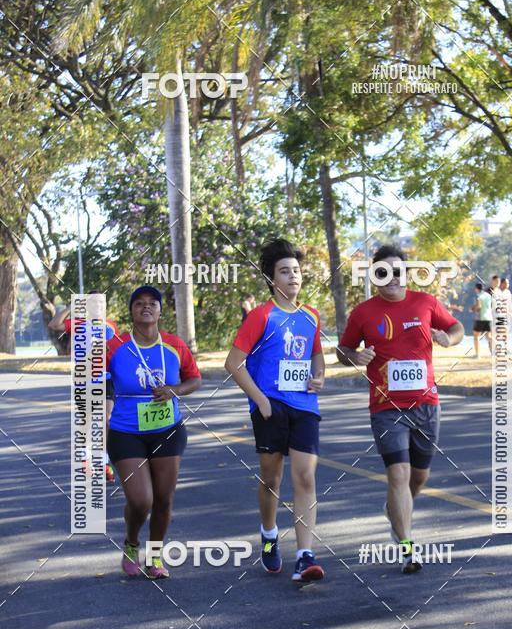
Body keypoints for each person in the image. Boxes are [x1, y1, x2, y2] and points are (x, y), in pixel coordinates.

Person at [337, 244, 464, 574]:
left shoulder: (426, 303)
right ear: (374, 277)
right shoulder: (363, 313)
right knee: (398, 473)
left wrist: (447, 339)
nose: (391, 277)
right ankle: (407, 546)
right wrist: (354, 357)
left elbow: (457, 328)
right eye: (383, 272)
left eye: (398, 271)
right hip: (385, 406)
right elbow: (343, 349)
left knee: (419, 477)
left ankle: (396, 508)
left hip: (426, 403)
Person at [224, 239, 326, 583]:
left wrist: (320, 375)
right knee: (272, 479)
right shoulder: (261, 316)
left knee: (306, 477)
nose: (293, 276)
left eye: (296, 270)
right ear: (272, 279)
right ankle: (269, 534)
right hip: (270, 407)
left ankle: (304, 555)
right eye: (285, 271)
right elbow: (233, 363)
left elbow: (316, 353)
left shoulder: (311, 315)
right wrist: (261, 400)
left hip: (304, 406)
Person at [106, 285, 201, 578]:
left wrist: (175, 390)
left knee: (163, 499)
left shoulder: (174, 345)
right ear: (131, 311)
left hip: (167, 430)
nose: (146, 307)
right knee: (140, 499)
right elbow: (100, 380)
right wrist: (105, 401)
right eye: (139, 304)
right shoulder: (115, 346)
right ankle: (132, 542)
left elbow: (194, 379)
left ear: (160, 311)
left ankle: (156, 556)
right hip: (125, 431)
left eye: (152, 303)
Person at [49, 291, 120, 482]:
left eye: (101, 303)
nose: (98, 306)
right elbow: (54, 325)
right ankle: (85, 458)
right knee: (87, 422)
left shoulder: (111, 325)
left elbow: (117, 351)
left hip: (105, 378)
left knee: (106, 417)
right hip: (84, 380)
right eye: (93, 303)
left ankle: (104, 461)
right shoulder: (79, 324)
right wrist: (73, 307)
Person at [470, 282, 493, 357]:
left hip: (481, 318)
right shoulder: (488, 295)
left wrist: (473, 309)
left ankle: (477, 354)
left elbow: (479, 306)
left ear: (477, 289)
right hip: (489, 318)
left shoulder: (479, 296)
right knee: (488, 336)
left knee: (476, 336)